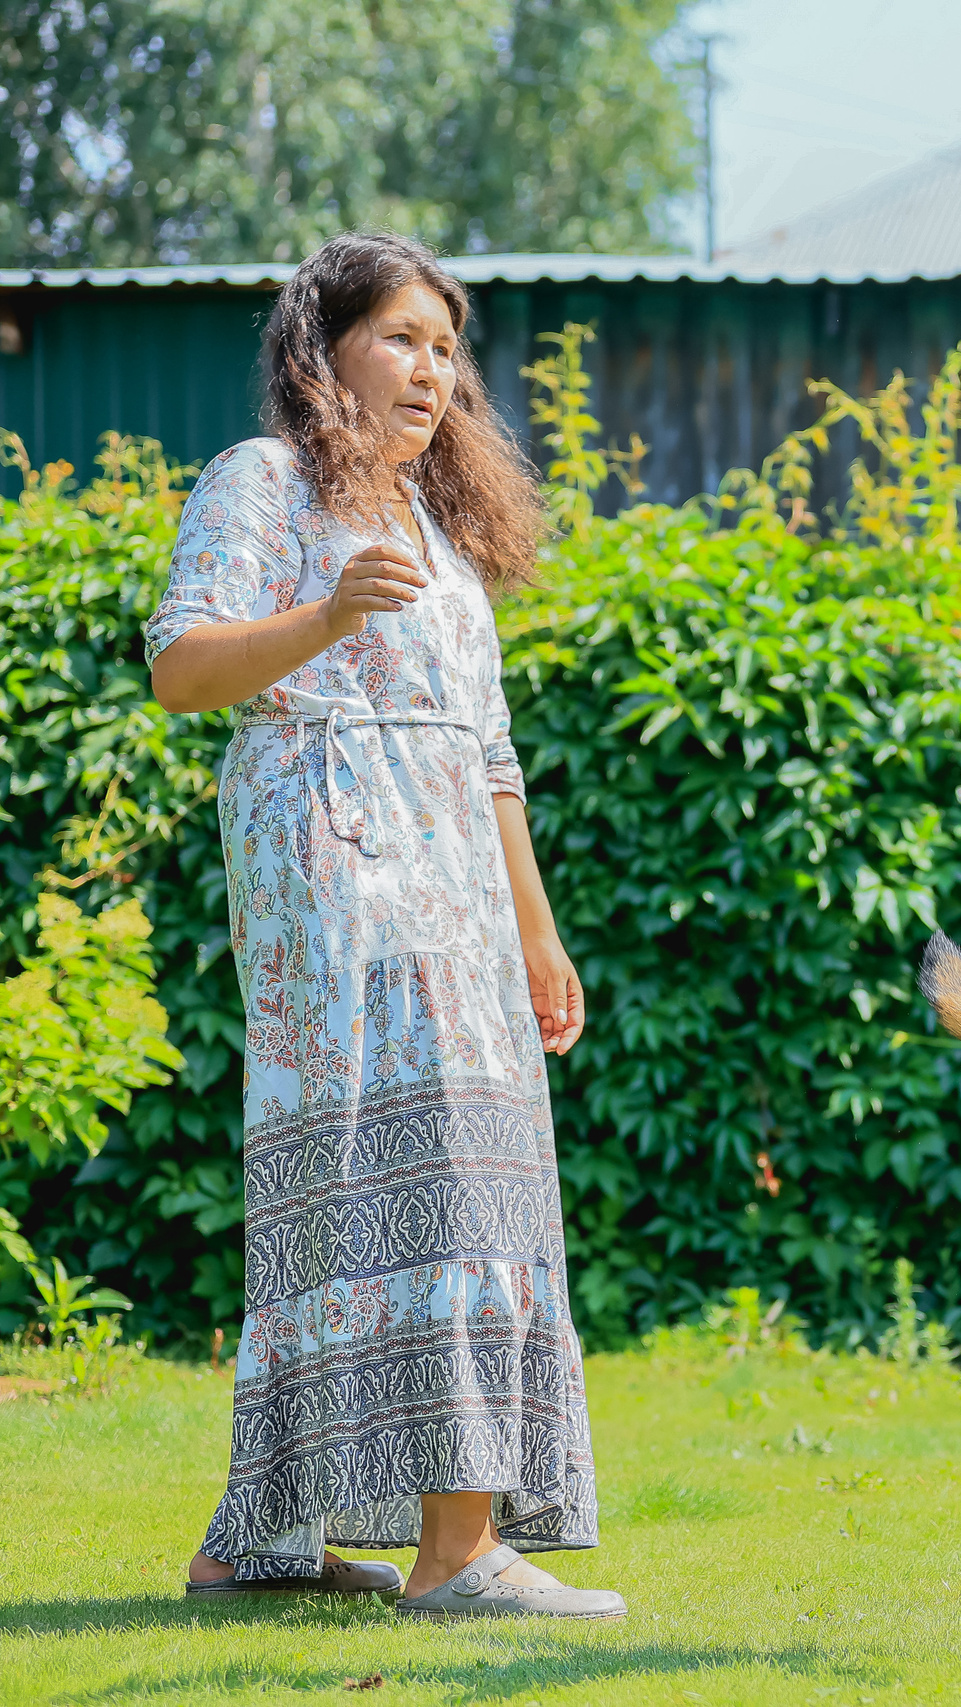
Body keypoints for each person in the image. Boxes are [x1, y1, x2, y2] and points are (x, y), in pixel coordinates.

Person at [148, 232, 620, 1621]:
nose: (433, 369)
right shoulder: (264, 482)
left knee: (435, 1176)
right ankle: (458, 1553)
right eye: (404, 338)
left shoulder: (437, 529)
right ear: (327, 349)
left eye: (446, 345)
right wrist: (320, 612)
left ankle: (257, 1544)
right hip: (333, 869)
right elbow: (181, 663)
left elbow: (491, 752)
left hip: (459, 888)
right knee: (392, 1174)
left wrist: (538, 934)